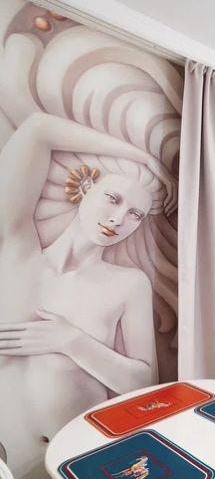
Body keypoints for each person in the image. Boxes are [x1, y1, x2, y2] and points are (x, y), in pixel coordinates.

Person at [0, 112, 177, 478]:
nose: (118, 220)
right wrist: (140, 156)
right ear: (85, 188)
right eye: (112, 198)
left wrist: (70, 340)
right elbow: (37, 129)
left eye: (135, 214)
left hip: (82, 460)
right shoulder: (16, 251)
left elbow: (143, 384)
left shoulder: (129, 284)